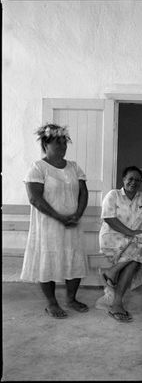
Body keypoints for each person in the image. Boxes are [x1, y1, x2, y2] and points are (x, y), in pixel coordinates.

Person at [20, 123, 89, 319]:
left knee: (74, 258)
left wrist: (77, 214)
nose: (62, 147)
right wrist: (59, 217)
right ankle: (51, 303)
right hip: (49, 225)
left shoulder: (74, 167)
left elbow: (83, 192)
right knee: (48, 261)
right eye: (57, 144)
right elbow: (35, 198)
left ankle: (71, 298)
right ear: (45, 145)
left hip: (73, 223)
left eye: (64, 143)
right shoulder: (38, 168)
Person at [95, 166, 142, 322]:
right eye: (130, 179)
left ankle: (114, 281)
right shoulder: (113, 195)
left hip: (134, 242)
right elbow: (109, 218)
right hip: (113, 238)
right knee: (141, 246)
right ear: (124, 179)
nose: (133, 182)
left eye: (137, 179)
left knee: (138, 253)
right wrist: (132, 233)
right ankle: (117, 299)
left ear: (141, 181)